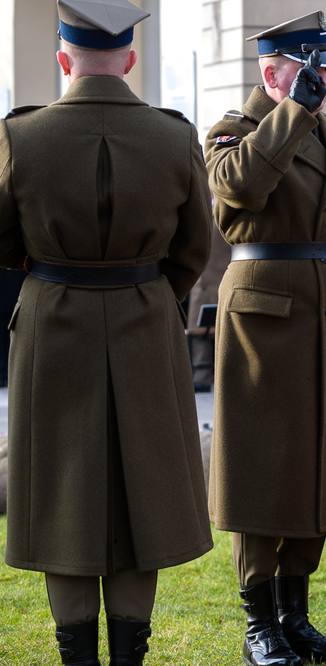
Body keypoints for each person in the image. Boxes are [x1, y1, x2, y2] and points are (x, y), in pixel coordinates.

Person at [0, 1, 215, 663]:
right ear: (128, 59)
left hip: (51, 323)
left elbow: (5, 244)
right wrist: (148, 294)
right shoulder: (175, 136)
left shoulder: (19, 137)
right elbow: (195, 249)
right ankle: (128, 656)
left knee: (62, 493)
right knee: (140, 492)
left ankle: (78, 657)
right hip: (145, 324)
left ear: (64, 59)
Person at [204, 10, 326, 666]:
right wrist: (293, 112)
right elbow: (235, 190)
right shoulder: (234, 131)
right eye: (313, 70)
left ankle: (295, 619)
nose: (323, 80)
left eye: (325, 70)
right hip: (265, 325)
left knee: (319, 470)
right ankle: (259, 627)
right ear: (275, 72)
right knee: (262, 471)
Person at [187, 224, 230, 392]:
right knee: (201, 333)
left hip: (214, 282)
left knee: (207, 333)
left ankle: (206, 376)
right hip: (207, 284)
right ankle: (203, 375)